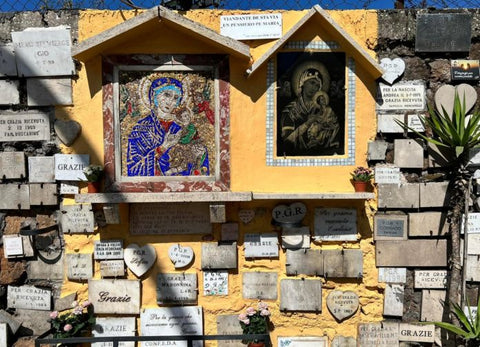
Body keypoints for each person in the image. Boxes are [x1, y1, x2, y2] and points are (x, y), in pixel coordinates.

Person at [127, 76, 209, 176]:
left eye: (176, 98)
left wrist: (198, 155)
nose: (171, 101)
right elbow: (133, 168)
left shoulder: (183, 127)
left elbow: (200, 166)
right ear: (153, 95)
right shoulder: (141, 128)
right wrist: (163, 147)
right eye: (167, 95)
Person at [279, 60, 334, 156]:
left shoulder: (324, 110)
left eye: (318, 85)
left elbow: (333, 137)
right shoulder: (290, 110)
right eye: (312, 83)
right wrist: (307, 123)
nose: (315, 88)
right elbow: (287, 141)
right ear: (302, 83)